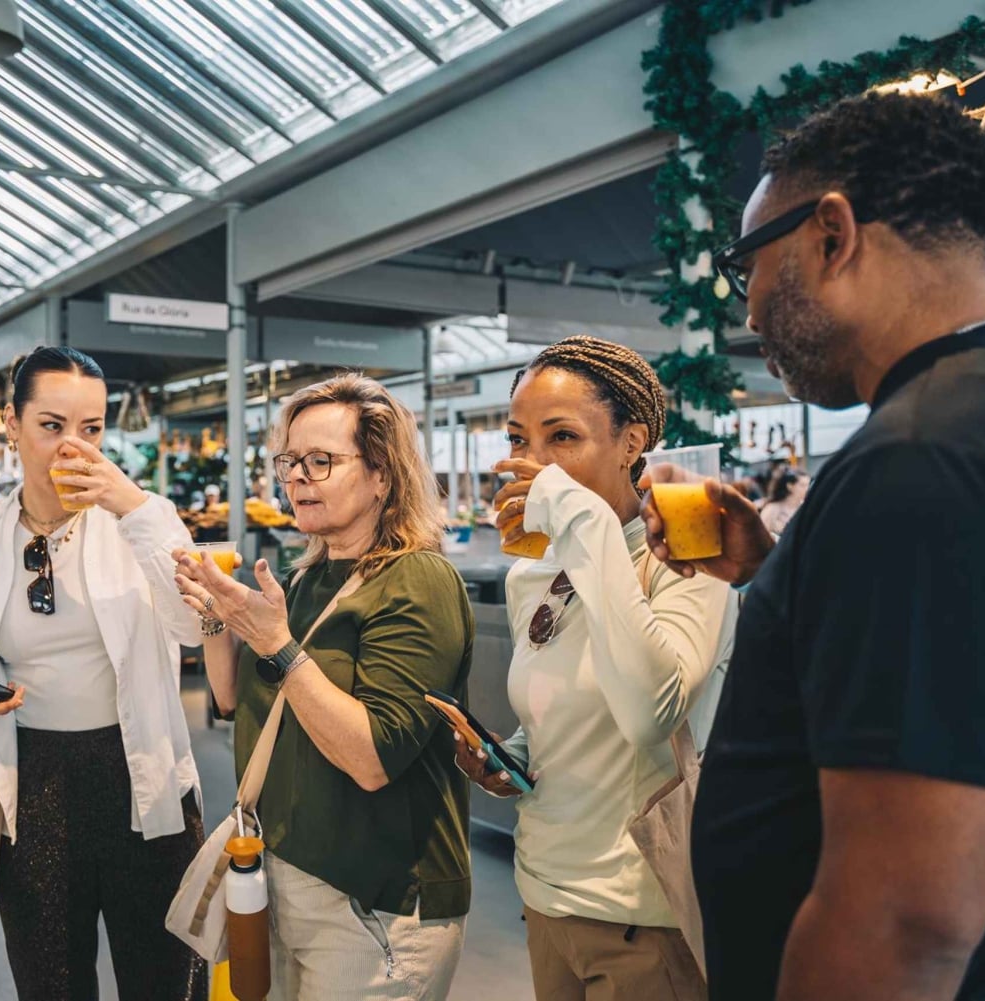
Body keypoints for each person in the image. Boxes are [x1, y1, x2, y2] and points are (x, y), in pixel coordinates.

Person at [640, 92, 985, 1000]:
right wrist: (777, 575)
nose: (746, 308)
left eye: (746, 264)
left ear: (832, 236)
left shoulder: (925, 458)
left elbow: (904, 917)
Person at [0, 346, 207, 1001]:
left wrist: (133, 505)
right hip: (36, 785)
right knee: (51, 981)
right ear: (11, 426)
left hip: (143, 782)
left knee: (165, 981)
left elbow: (196, 626)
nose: (73, 446)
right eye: (52, 425)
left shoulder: (137, 523)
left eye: (92, 428)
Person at [177, 373, 474, 1001]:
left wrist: (276, 644)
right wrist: (213, 613)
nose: (297, 477)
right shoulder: (307, 575)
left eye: (322, 461)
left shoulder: (417, 580)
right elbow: (231, 702)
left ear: (383, 475)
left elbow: (371, 758)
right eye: (289, 461)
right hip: (288, 875)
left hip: (375, 904)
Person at [453, 337, 731, 1000]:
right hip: (545, 895)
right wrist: (510, 756)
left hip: (640, 917)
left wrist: (582, 520)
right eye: (521, 439)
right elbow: (559, 720)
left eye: (563, 437)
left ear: (631, 442)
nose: (534, 464)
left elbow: (647, 714)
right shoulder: (536, 575)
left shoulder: (689, 554)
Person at [758, 466, 808, 537]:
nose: (807, 489)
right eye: (802, 485)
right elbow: (760, 537)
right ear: (790, 486)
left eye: (808, 485)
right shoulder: (772, 509)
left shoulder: (805, 507)